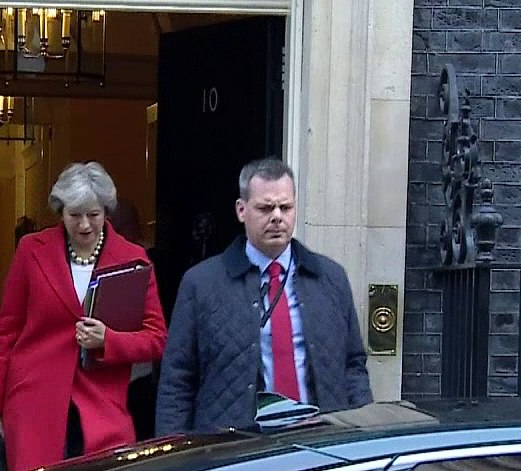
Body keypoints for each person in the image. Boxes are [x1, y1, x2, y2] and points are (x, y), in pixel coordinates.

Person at [155, 157, 372, 434]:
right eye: (265, 208)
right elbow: (178, 378)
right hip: (236, 450)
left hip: (322, 443)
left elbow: (353, 365)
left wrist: (364, 432)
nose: (277, 217)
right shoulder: (201, 284)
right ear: (241, 210)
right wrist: (173, 452)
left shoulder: (330, 278)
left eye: (286, 207)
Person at [0, 162, 167, 471]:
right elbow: (6, 331)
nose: (84, 225)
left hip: (102, 405)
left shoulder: (133, 259)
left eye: (93, 215)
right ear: (60, 212)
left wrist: (109, 340)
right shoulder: (31, 250)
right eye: (73, 215)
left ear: (107, 211)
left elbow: (157, 338)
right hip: (34, 400)